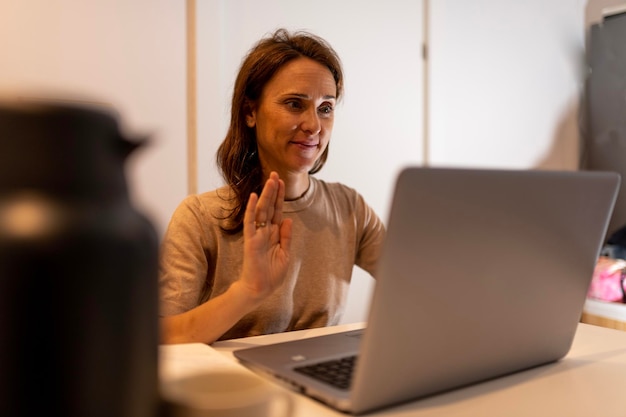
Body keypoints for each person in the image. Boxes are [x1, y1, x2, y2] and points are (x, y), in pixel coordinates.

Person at [159, 28, 386, 344]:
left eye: (326, 107)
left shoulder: (349, 208)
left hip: (318, 382)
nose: (313, 126)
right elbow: (164, 336)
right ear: (250, 111)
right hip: (235, 388)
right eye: (295, 104)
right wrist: (248, 291)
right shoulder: (199, 218)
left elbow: (416, 280)